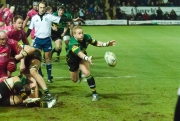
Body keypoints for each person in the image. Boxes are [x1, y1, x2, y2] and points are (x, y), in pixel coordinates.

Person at [27, 2, 82, 83]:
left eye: (43, 7)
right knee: (37, 58)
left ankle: (49, 77)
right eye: (41, 7)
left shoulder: (49, 16)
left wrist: (73, 20)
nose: (42, 9)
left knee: (47, 59)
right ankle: (40, 74)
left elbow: (62, 19)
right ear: (38, 8)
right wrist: (23, 37)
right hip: (38, 40)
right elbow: (29, 30)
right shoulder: (34, 18)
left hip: (47, 40)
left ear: (45, 8)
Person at [66, 26, 116, 101]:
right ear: (74, 35)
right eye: (79, 33)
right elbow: (79, 53)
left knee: (87, 73)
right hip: (72, 60)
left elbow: (96, 43)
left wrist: (106, 44)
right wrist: (87, 58)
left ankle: (94, 94)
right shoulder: (72, 43)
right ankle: (78, 71)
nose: (82, 35)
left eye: (82, 33)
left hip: (82, 57)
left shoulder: (87, 37)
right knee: (74, 80)